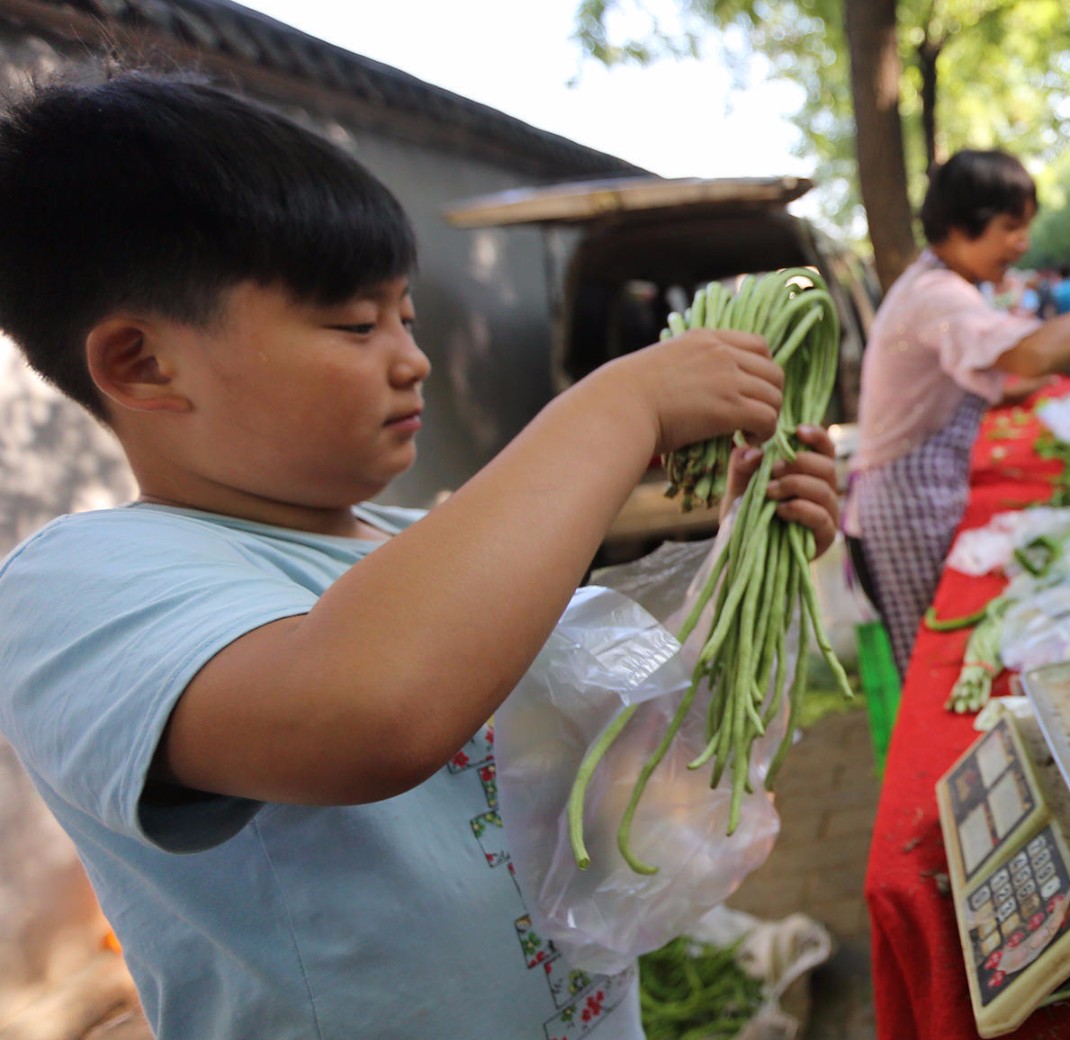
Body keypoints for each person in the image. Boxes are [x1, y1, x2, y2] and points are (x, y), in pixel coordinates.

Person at [0, 74, 843, 1040]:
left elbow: (616, 781)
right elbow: (369, 712)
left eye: (404, 316)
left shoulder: (412, 546)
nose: (413, 358)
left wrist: (740, 560)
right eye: (357, 325)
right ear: (143, 365)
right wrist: (621, 405)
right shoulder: (72, 587)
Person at [845, 149, 1070, 672]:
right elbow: (1028, 354)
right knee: (933, 654)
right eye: (1010, 227)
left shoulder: (945, 286)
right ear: (959, 225)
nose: (1022, 244)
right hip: (903, 502)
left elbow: (999, 380)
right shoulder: (937, 294)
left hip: (919, 490)